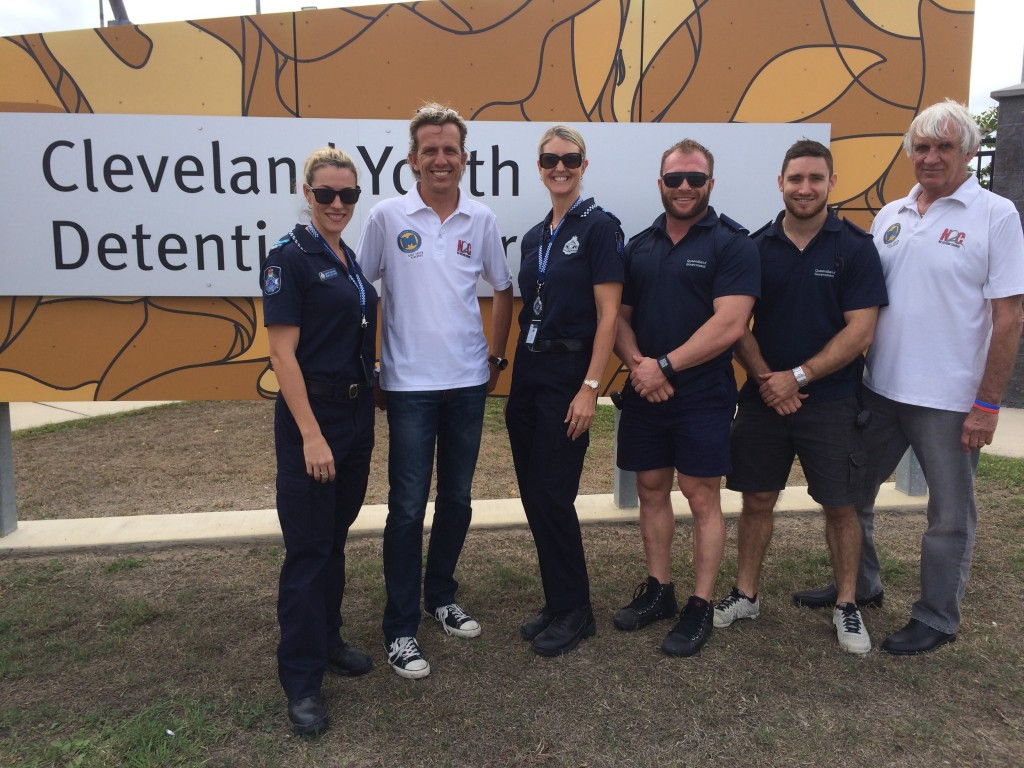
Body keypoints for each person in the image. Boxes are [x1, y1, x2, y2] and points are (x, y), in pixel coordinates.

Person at [793, 99, 1024, 654]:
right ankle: (861, 584)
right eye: (921, 147)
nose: (931, 157)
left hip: (949, 399)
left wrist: (987, 404)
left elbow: (1009, 316)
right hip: (880, 389)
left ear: (968, 152)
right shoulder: (893, 215)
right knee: (852, 496)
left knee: (948, 515)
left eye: (944, 146)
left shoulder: (995, 215)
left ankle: (937, 616)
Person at [356, 103, 513, 678]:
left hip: (468, 383)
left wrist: (495, 358)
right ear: (412, 159)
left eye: (450, 150)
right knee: (405, 509)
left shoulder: (482, 219)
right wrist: (372, 362)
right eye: (431, 151)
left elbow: (503, 287)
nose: (441, 160)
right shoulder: (385, 216)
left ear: (463, 157)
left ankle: (440, 595)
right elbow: (364, 290)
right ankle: (400, 627)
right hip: (408, 387)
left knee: (458, 500)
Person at [713, 139, 888, 655]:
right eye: (796, 179)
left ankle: (847, 605)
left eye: (815, 178)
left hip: (832, 401)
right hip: (765, 397)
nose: (805, 188)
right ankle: (746, 593)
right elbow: (736, 321)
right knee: (757, 498)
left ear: (832, 183)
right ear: (781, 183)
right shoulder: (756, 247)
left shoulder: (855, 248)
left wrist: (800, 377)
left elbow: (861, 332)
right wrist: (772, 379)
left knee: (841, 505)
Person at [613, 139, 759, 657]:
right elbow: (619, 319)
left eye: (694, 179)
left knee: (701, 496)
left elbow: (730, 324)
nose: (684, 188)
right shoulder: (639, 245)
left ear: (710, 185)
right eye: (674, 179)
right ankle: (659, 589)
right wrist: (638, 366)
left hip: (702, 395)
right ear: (660, 184)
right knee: (651, 489)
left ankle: (699, 604)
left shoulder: (732, 244)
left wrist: (665, 366)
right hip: (646, 391)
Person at [261, 147, 377, 735]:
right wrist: (311, 435)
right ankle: (302, 682)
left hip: (356, 416)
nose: (337, 204)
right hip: (316, 419)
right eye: (327, 194)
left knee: (334, 540)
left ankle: (328, 640)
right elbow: (282, 353)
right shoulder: (291, 258)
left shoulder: (348, 257)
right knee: (308, 552)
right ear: (307, 194)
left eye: (348, 195)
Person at [506, 126, 624, 656]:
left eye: (569, 159)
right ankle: (558, 601)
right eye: (550, 159)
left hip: (570, 372)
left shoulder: (601, 227)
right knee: (534, 494)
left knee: (555, 493)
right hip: (529, 373)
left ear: (583, 164)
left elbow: (608, 316)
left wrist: (590, 388)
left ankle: (577, 611)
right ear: (539, 166)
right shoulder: (534, 237)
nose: (560, 167)